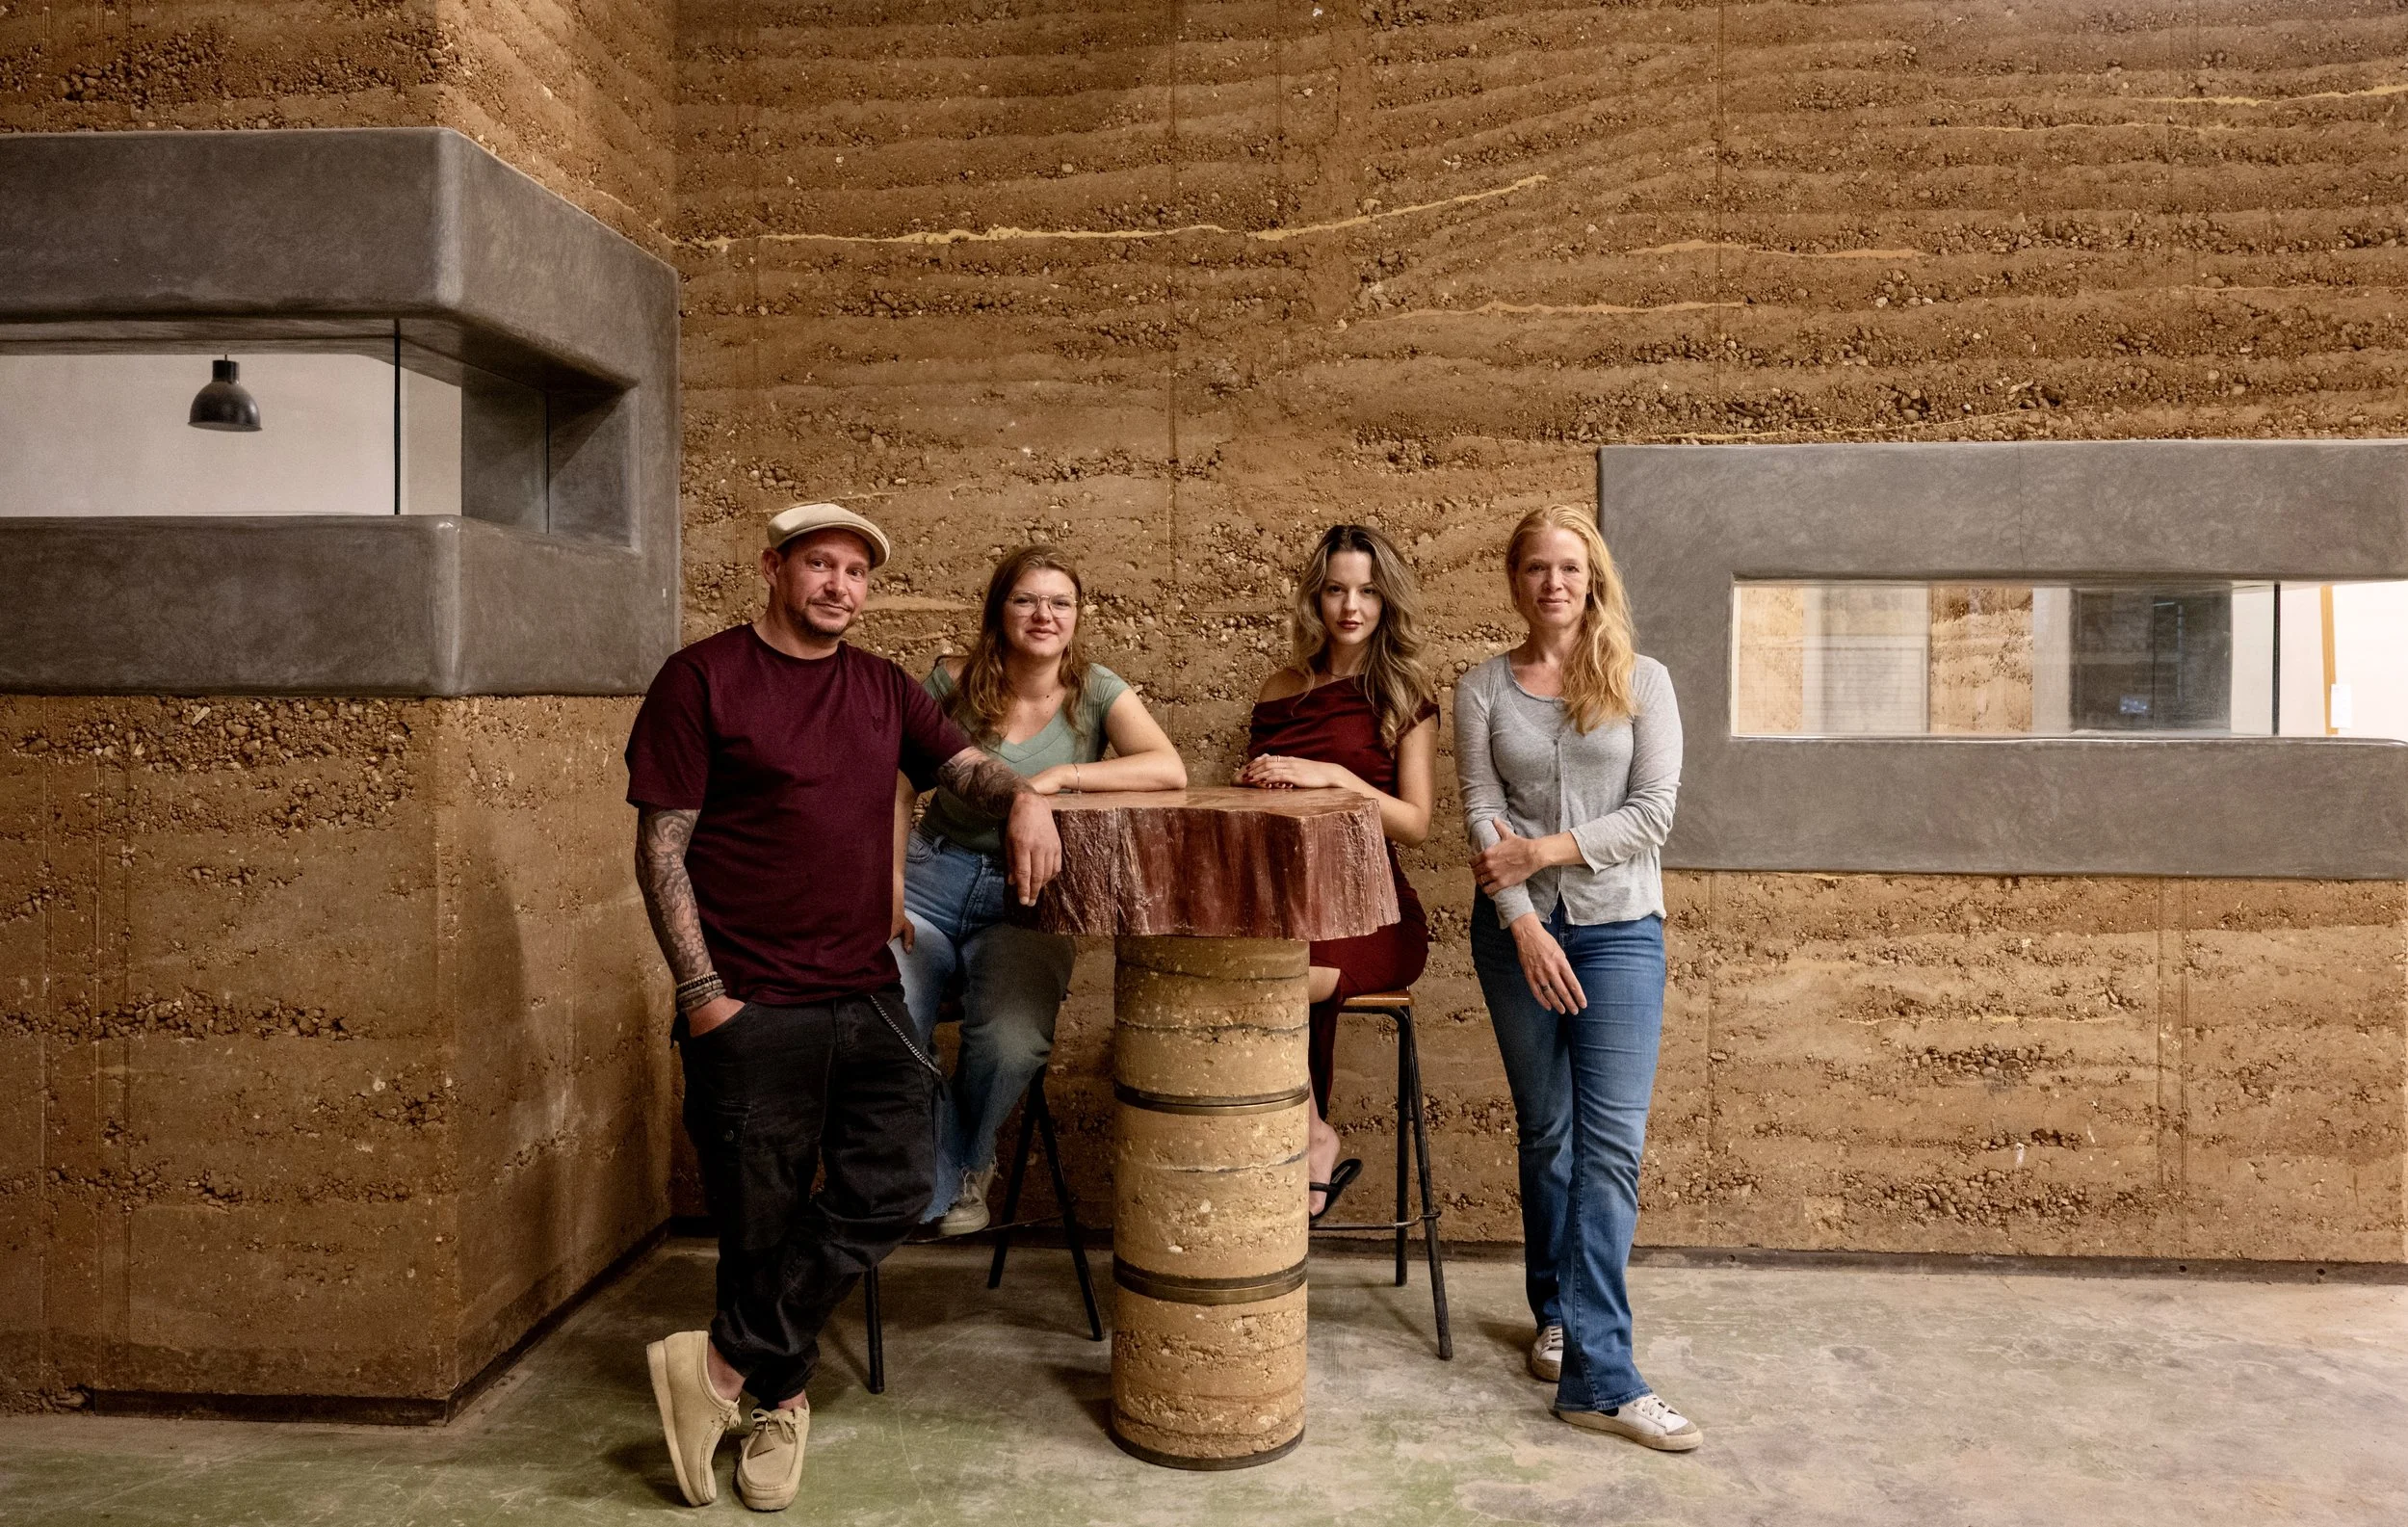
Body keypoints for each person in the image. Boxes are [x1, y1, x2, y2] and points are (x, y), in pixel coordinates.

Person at [624, 503, 1062, 1512]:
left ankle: (722, 1368)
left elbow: (962, 767)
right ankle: (779, 1403)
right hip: (747, 996)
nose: (839, 587)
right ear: (773, 568)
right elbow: (661, 848)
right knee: (757, 1222)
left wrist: (1027, 796)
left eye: (856, 572)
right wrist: (703, 996)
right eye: (819, 565)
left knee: (898, 1181)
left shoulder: (880, 688)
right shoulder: (701, 679)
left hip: (863, 989)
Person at [1454, 503, 1694, 1451]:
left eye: (1569, 567)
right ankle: (1553, 1310)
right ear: (1514, 581)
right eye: (1535, 568)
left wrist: (1543, 851)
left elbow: (1653, 812)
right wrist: (1520, 923)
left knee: (1610, 1146)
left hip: (1621, 931)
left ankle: (1605, 1371)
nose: (1554, 583)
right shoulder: (1481, 687)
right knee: (1547, 1130)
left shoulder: (1644, 681)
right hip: (1515, 938)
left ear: (1592, 577)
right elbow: (1478, 807)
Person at [895, 544, 1187, 1234]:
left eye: (1060, 602)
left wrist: (1052, 783)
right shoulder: (952, 683)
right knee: (886, 1013)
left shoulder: (1096, 691)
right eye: (1027, 599)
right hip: (930, 877)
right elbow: (898, 778)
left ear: (1078, 616)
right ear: (1000, 609)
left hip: (1028, 897)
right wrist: (887, 878)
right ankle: (939, 1176)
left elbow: (1167, 768)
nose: (1044, 614)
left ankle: (964, 1158)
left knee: (1011, 1042)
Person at [1237, 523, 1438, 1221]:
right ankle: (1307, 1132)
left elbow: (1415, 821)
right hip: (1284, 899)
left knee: (1270, 983)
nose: (1351, 605)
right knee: (1234, 969)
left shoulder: (1404, 694)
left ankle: (1308, 1136)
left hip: (1373, 908)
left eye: (1368, 591)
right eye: (1335, 589)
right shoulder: (1280, 686)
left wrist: (1329, 777)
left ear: (1388, 601)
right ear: (1314, 598)